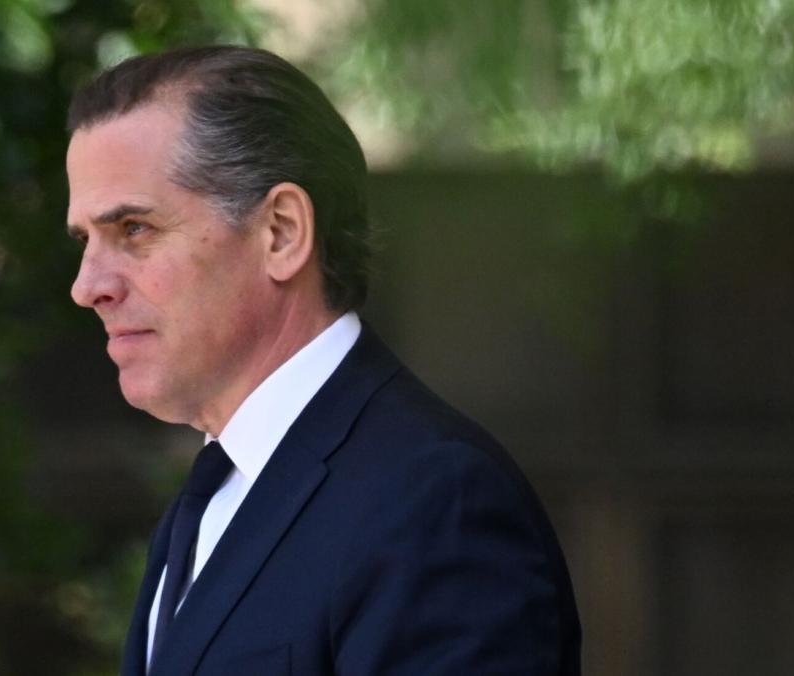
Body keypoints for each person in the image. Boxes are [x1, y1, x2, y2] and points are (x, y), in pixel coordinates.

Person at [64, 45, 581, 676]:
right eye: (86, 240)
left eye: (134, 230)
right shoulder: (208, 500)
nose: (88, 286)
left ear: (281, 232)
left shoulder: (437, 502)